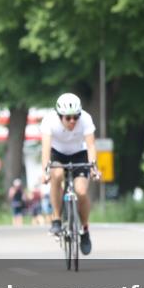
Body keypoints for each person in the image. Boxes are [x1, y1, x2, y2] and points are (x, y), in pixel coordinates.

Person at [41, 93, 100, 254]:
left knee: (81, 191)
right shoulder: (49, 121)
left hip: (79, 153)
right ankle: (56, 219)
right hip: (57, 153)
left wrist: (94, 168)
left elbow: (91, 146)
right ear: (60, 116)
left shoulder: (86, 119)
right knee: (57, 174)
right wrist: (45, 171)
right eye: (68, 118)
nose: (72, 121)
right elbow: (46, 148)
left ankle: (85, 229)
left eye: (75, 117)